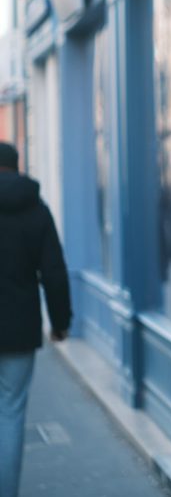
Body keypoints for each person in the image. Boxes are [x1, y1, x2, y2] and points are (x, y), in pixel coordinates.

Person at [0, 142, 71, 497]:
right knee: (10, 414)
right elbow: (54, 272)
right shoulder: (36, 209)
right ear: (17, 166)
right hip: (18, 329)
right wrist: (61, 322)